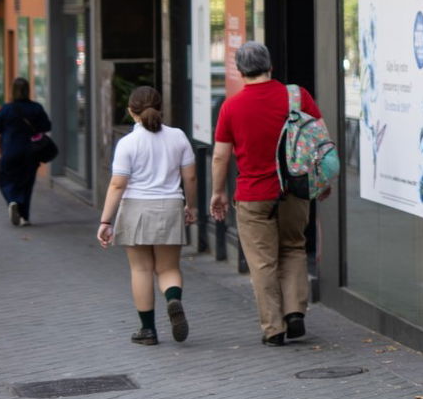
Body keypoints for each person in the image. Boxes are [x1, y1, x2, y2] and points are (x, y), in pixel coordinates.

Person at [209, 41, 322, 347]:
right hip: (295, 189)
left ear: (240, 70)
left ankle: (273, 327)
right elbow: (319, 141)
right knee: (294, 247)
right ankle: (295, 311)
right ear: (270, 65)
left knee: (262, 261)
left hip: (253, 194)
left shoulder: (231, 106)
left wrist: (217, 192)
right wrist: (322, 182)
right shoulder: (297, 97)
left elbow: (220, 156)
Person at [96, 86, 197, 345]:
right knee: (169, 268)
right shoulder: (178, 137)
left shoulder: (128, 143)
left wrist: (106, 220)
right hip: (171, 206)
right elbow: (190, 177)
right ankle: (173, 298)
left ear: (131, 111)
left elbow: (118, 184)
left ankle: (148, 330)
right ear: (160, 107)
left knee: (141, 269)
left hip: (136, 209)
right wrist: (191, 206)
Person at [0, 77, 51, 226]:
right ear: (28, 90)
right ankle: (24, 216)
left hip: (10, 151)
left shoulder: (6, 109)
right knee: (27, 183)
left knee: (5, 179)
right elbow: (46, 126)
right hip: (31, 151)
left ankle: (12, 200)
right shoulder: (36, 108)